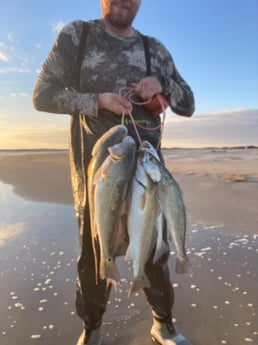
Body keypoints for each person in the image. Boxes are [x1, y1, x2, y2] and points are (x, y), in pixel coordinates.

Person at [33, 1, 195, 344]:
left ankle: (162, 324)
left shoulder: (155, 49)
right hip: (97, 177)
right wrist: (98, 100)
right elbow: (42, 96)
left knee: (153, 251)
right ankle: (92, 330)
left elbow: (189, 103)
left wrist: (162, 83)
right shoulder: (77, 36)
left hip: (149, 177)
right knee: (96, 253)